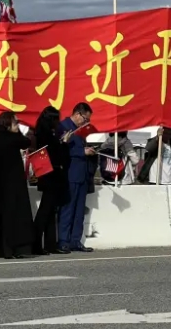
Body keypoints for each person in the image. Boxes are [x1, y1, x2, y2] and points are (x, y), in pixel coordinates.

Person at [0, 112, 34, 259]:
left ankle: (0, 249)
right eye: (15, 123)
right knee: (15, 216)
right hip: (13, 183)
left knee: (0, 216)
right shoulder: (13, 138)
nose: (17, 126)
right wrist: (17, 132)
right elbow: (27, 142)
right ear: (8, 125)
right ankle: (16, 248)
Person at [57, 102, 95, 254]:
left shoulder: (80, 130)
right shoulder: (64, 126)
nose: (85, 123)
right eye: (85, 119)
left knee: (79, 211)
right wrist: (82, 151)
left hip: (82, 174)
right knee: (68, 209)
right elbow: (63, 150)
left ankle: (75, 240)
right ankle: (63, 241)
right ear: (78, 114)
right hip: (70, 173)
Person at [33, 106, 69, 255]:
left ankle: (49, 243)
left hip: (48, 175)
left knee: (49, 211)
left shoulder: (42, 134)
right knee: (45, 211)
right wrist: (64, 143)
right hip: (51, 175)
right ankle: (36, 243)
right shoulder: (46, 136)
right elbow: (57, 154)